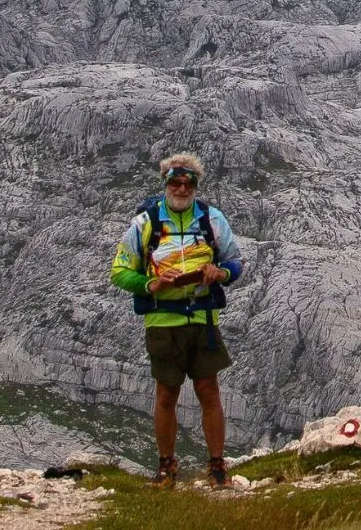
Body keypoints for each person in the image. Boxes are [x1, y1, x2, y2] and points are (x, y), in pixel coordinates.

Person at [108, 152, 245, 489]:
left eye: (188, 183)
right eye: (176, 182)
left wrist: (221, 272)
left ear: (196, 186)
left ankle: (217, 467)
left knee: (208, 390)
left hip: (202, 317)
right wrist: (148, 284)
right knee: (166, 395)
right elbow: (119, 271)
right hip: (163, 321)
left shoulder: (212, 219)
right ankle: (167, 467)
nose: (182, 188)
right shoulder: (145, 224)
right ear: (165, 184)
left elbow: (236, 262)